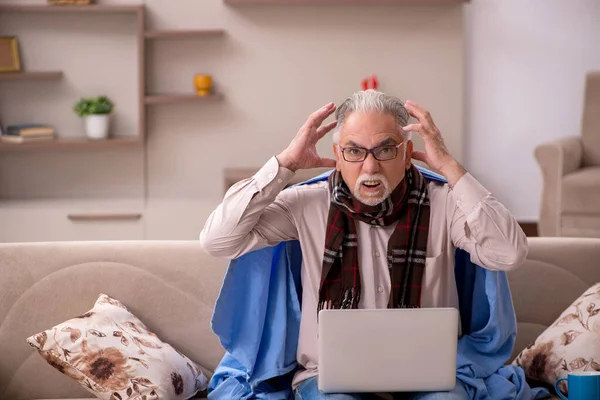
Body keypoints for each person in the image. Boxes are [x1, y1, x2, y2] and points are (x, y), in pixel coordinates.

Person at [199, 90, 529, 400]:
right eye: (354, 151)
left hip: (430, 376)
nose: (370, 167)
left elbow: (509, 252)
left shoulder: (444, 203)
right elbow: (218, 241)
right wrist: (286, 163)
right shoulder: (306, 204)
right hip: (325, 376)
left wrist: (450, 167)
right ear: (337, 156)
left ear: (407, 153)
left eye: (385, 150)